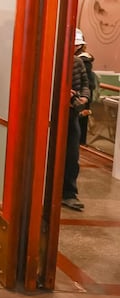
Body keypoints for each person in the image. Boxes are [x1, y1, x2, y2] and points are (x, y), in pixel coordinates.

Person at [62, 34, 91, 211]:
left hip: (71, 113)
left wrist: (84, 98)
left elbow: (86, 84)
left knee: (72, 155)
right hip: (53, 114)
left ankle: (69, 193)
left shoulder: (78, 62)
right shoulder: (53, 61)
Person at [74, 28, 96, 144]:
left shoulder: (82, 61)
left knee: (76, 134)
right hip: (81, 97)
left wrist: (83, 99)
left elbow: (85, 83)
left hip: (79, 99)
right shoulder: (82, 60)